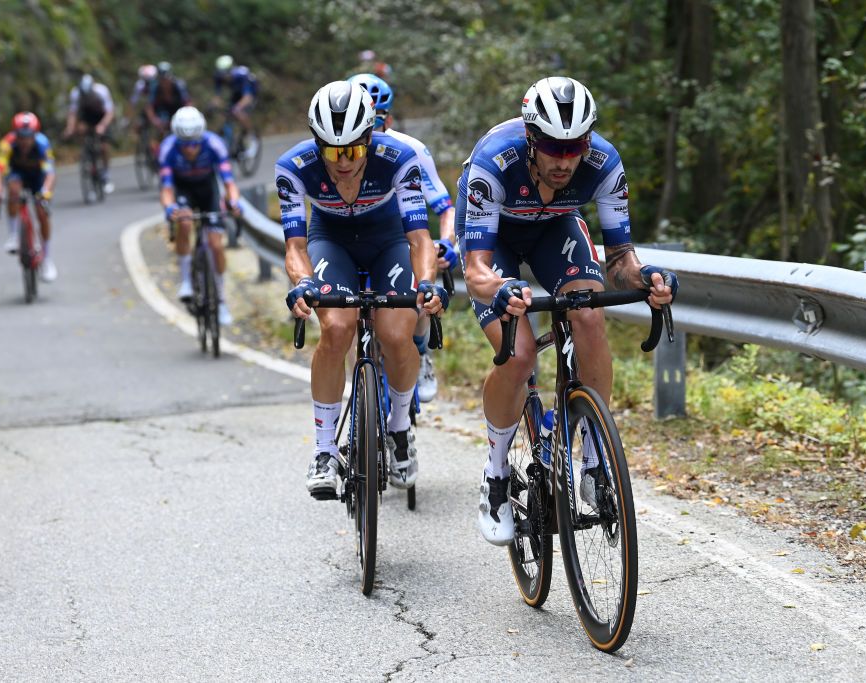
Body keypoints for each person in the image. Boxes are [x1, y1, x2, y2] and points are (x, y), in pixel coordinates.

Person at [458, 76, 676, 545]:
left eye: (575, 146)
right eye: (553, 148)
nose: (564, 160)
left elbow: (620, 261)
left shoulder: (604, 163)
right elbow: (475, 272)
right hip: (493, 242)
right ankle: (495, 476)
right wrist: (500, 287)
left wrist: (647, 280)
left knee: (590, 315)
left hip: (555, 229)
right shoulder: (494, 162)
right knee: (518, 357)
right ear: (531, 140)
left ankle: (594, 460)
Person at [277, 80, 448, 499]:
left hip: (388, 238)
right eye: (333, 152)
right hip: (329, 240)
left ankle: (400, 428)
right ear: (317, 144)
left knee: (395, 333)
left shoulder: (399, 157)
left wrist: (426, 284)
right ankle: (323, 451)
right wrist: (302, 284)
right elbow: (295, 247)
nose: (343, 162)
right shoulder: (294, 166)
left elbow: (419, 239)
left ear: (371, 137)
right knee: (337, 329)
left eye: (353, 150)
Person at [348, 72, 456, 403]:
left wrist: (448, 243)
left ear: (388, 119)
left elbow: (445, 207)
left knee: (424, 265)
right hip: (355, 238)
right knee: (348, 319)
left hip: (402, 237)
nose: (370, 124)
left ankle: (421, 352)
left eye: (376, 118)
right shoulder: (339, 151)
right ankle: (358, 399)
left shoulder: (410, 150)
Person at [158, 106, 241, 326]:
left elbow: (229, 182)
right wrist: (169, 208)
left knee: (216, 244)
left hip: (208, 190)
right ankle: (185, 281)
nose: (190, 149)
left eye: (195, 143)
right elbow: (166, 188)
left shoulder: (214, 144)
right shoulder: (167, 149)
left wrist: (233, 201)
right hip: (183, 190)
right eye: (185, 144)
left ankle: (221, 300)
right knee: (184, 223)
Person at [0, 112, 57, 281]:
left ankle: (47, 259)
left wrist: (45, 192)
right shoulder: (7, 144)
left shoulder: (43, 143)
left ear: (35, 134)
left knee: (42, 212)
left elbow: (50, 173)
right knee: (13, 191)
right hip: (17, 174)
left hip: (37, 177)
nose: (25, 141)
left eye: (29, 137)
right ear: (15, 134)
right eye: (21, 136)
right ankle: (13, 235)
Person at [63, 73, 115, 194]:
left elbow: (110, 112)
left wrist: (102, 126)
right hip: (87, 117)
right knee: (81, 130)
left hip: (101, 116)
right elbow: (73, 113)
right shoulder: (76, 93)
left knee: (104, 147)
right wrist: (70, 128)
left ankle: (105, 174)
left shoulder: (101, 91)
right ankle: (87, 154)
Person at [212, 55, 258, 142]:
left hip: (250, 95)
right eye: (221, 74)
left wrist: (237, 107)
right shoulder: (218, 77)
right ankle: (229, 138)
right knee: (226, 113)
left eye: (225, 74)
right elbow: (217, 96)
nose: (224, 77)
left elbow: (248, 97)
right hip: (237, 94)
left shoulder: (242, 76)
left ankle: (251, 135)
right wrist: (212, 105)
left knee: (238, 112)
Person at [146, 62, 191, 137]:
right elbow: (149, 106)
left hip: (178, 110)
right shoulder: (155, 86)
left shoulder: (179, 85)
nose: (164, 82)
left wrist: (185, 118)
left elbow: (187, 103)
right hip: (162, 111)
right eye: (162, 80)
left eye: (166, 79)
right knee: (161, 127)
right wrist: (154, 120)